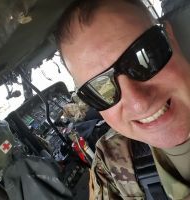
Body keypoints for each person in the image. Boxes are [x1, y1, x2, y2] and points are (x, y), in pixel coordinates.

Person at [55, 0, 190, 199]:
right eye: (100, 89)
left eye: (144, 57)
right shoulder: (111, 162)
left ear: (170, 37)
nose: (138, 103)